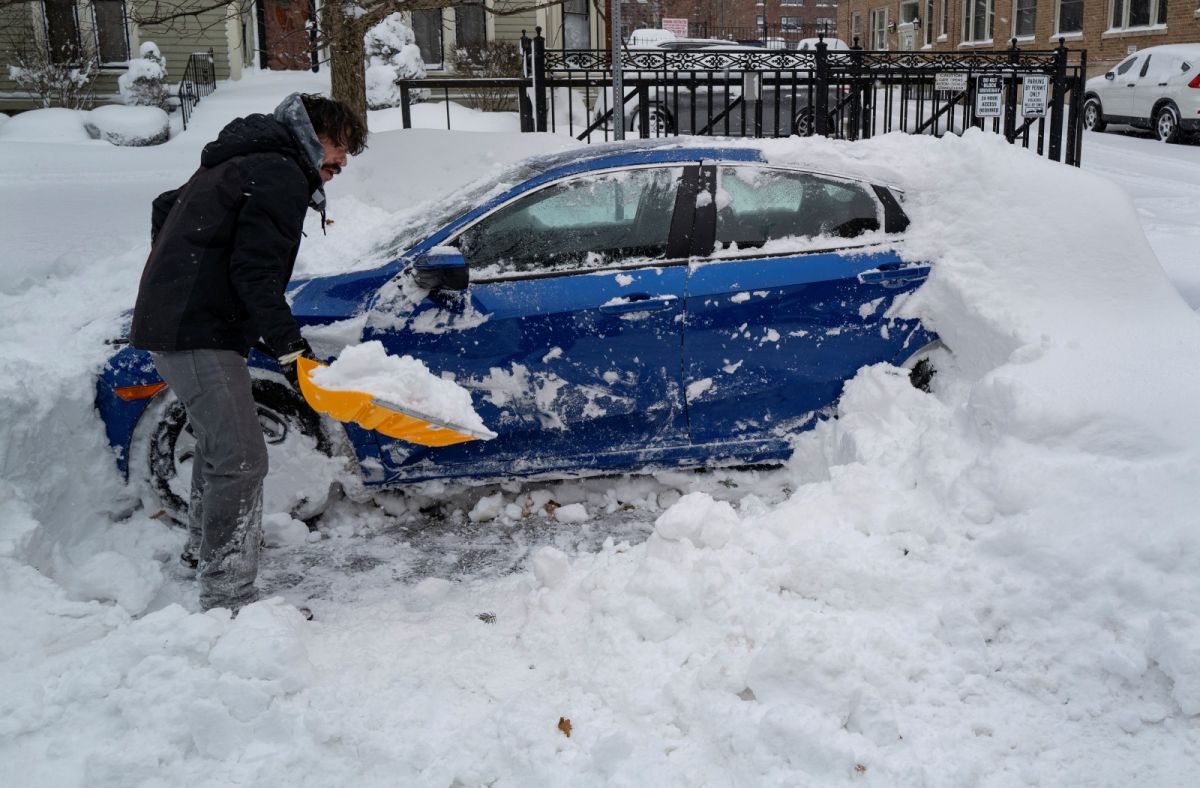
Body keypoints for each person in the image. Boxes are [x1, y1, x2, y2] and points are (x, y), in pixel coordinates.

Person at [129, 93, 367, 613]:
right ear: (312, 134)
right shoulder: (279, 171)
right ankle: (228, 597)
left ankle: (201, 554)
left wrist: (179, 280)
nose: (342, 162)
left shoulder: (243, 158)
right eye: (340, 146)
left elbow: (166, 206)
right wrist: (290, 350)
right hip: (196, 333)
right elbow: (254, 273)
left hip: (184, 325)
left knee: (220, 450)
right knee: (241, 458)